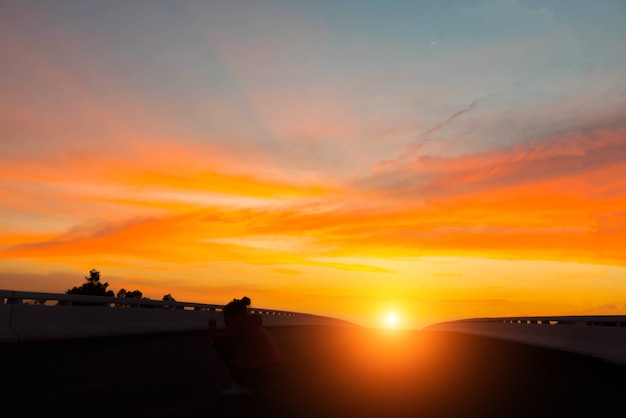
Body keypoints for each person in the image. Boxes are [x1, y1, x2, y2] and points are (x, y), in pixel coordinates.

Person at [208, 296, 285, 396]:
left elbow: (218, 342)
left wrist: (212, 328)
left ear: (233, 315)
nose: (224, 320)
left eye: (226, 316)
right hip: (273, 373)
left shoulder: (240, 325)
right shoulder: (252, 324)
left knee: (224, 348)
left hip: (261, 373)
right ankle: (257, 385)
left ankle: (242, 385)